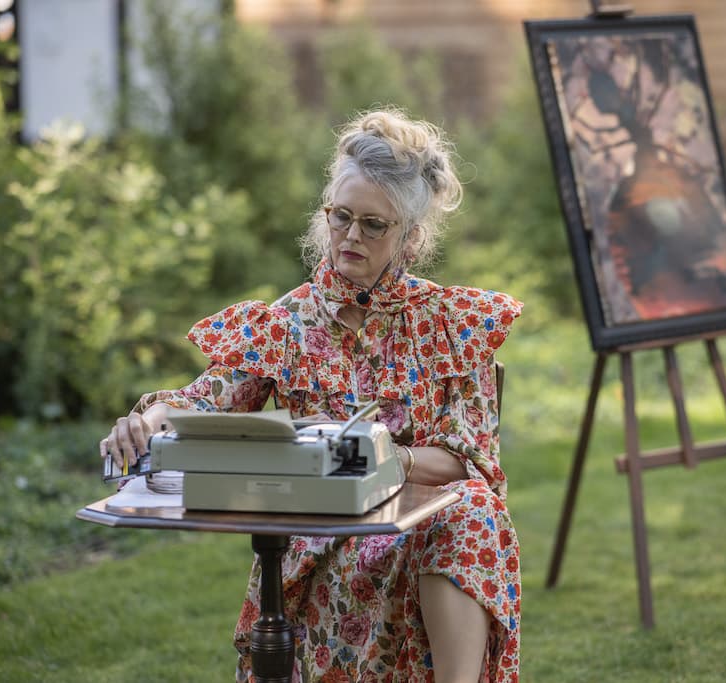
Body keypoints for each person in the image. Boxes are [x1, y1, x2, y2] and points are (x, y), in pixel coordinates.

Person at [101, 108, 523, 683]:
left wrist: (389, 460)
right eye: (341, 216)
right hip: (327, 547)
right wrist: (150, 419)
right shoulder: (289, 322)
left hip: (425, 532)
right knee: (464, 521)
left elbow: (470, 461)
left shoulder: (452, 323)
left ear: (410, 236)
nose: (351, 235)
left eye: (373, 224)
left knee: (473, 511)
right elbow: (206, 400)